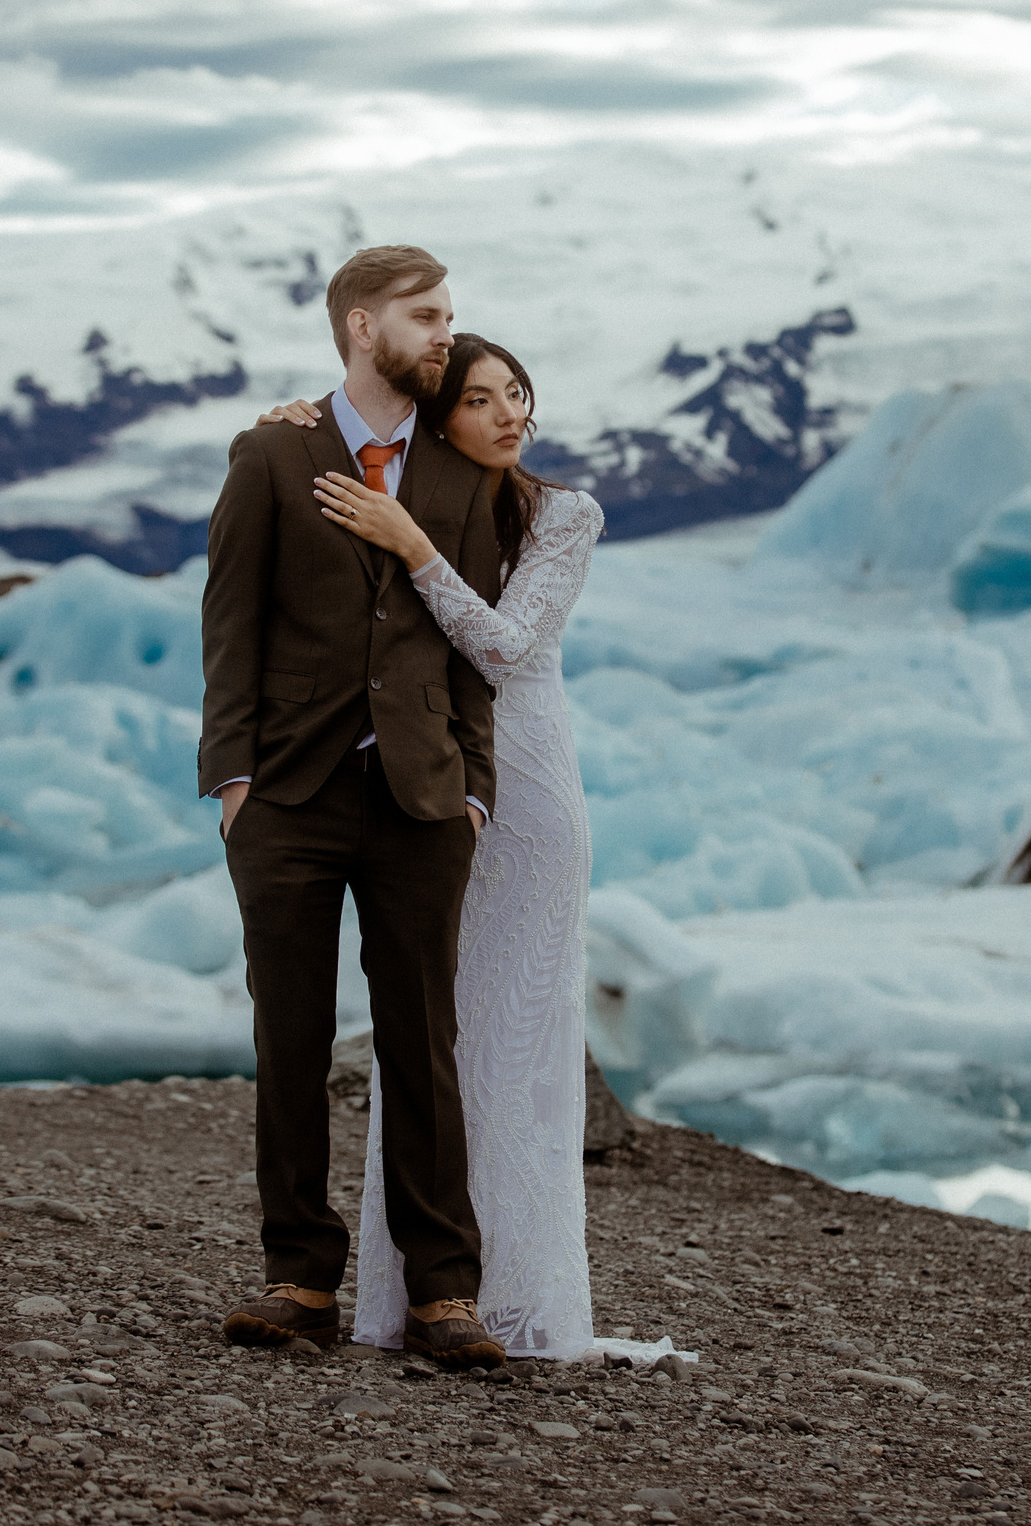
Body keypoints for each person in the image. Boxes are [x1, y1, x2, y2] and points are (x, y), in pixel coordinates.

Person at [253, 331, 607, 1359]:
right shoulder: (402, 489)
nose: (509, 416)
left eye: (518, 396)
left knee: (512, 1037)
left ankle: (518, 1292)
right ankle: (416, 1290)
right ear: (434, 416)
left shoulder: (561, 514)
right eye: (482, 399)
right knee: (433, 1036)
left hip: (527, 798)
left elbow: (502, 646)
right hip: (425, 787)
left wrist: (411, 545)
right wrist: (299, 419)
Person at [199, 245, 508, 1370]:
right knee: (290, 1037)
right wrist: (232, 780)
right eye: (426, 317)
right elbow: (229, 620)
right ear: (359, 325)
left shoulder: (461, 470)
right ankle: (297, 1280)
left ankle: (443, 1294)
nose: (444, 333)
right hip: (287, 792)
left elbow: (475, 645)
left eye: (450, 316)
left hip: (422, 799)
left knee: (423, 1041)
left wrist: (474, 783)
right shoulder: (273, 454)